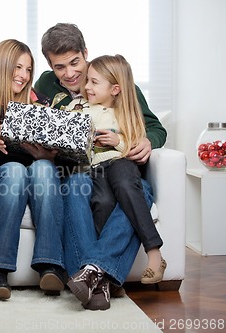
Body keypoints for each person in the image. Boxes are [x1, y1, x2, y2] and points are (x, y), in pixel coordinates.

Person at [34, 23, 167, 310]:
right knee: (77, 185)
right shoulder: (45, 86)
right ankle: (102, 278)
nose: (69, 74)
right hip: (78, 171)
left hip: (120, 167)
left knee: (136, 191)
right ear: (49, 66)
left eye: (75, 63)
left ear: (86, 53)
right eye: (59, 67)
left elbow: (155, 128)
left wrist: (146, 141)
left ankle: (94, 275)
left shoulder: (113, 80)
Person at [0, 39, 67, 300]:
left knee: (44, 168)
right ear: (1, 67)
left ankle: (51, 265)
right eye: (17, 68)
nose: (23, 75)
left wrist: (47, 155)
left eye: (28, 69)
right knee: (14, 170)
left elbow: (60, 159)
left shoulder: (42, 104)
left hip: (36, 175)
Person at [64, 54, 166, 284]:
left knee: (124, 182)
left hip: (120, 163)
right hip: (93, 170)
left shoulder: (126, 111)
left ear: (115, 89)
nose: (86, 86)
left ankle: (154, 252)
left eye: (93, 82)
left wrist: (117, 141)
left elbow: (137, 140)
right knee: (103, 203)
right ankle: (103, 279)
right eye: (87, 80)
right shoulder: (77, 107)